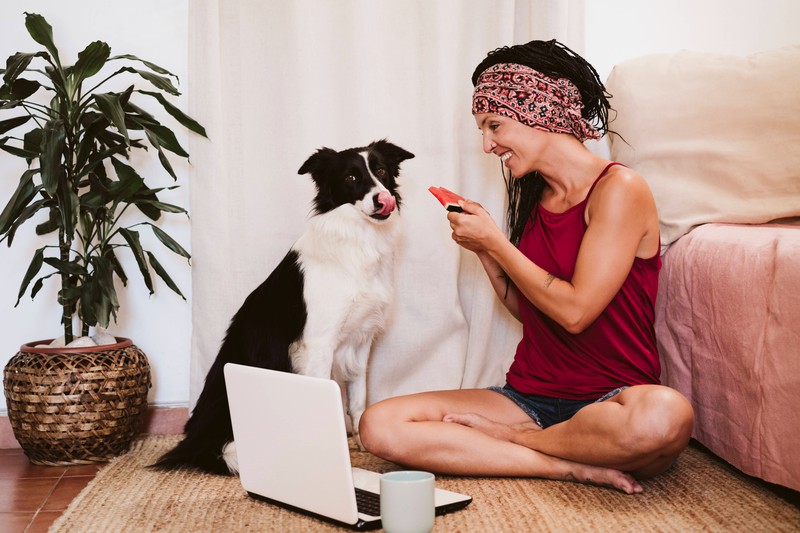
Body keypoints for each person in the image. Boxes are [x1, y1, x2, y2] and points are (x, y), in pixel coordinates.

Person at [358, 39, 694, 494]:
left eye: (494, 125)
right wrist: (486, 252)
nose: (487, 144)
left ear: (541, 112)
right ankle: (567, 464)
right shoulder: (541, 199)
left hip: (611, 401)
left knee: (664, 418)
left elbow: (575, 313)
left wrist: (498, 241)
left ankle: (519, 442)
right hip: (528, 397)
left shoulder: (621, 188)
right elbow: (531, 308)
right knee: (380, 425)